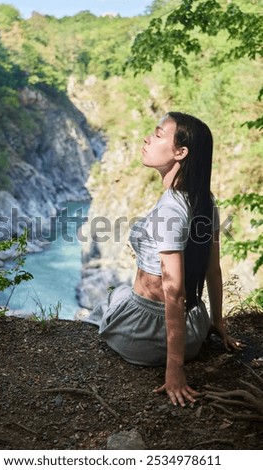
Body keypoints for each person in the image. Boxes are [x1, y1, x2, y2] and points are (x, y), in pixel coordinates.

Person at [81, 111, 244, 407]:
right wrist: (217, 321)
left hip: (147, 334)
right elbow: (213, 269)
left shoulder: (169, 212)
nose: (147, 138)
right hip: (195, 328)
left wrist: (175, 370)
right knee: (115, 294)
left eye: (157, 135)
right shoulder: (204, 200)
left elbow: (175, 292)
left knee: (108, 301)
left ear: (180, 152)